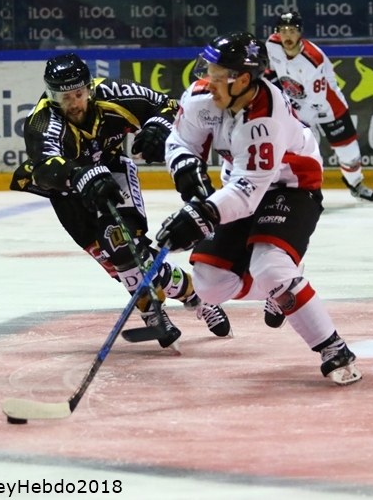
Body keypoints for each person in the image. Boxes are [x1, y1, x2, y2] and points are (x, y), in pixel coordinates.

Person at [155, 31, 362, 385]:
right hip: (240, 183)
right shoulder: (202, 97)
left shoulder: (266, 119)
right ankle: (281, 286)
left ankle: (333, 348)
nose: (209, 80)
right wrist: (184, 165)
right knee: (209, 284)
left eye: (219, 75)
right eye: (210, 71)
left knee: (270, 267)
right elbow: (180, 140)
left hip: (291, 185)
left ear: (244, 80)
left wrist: (202, 215)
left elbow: (248, 194)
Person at [10, 53, 231, 349]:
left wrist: (159, 126)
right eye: (64, 97)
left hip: (112, 172)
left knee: (122, 245)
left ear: (89, 88)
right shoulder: (41, 121)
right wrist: (79, 175)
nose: (74, 103)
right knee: (118, 261)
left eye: (79, 94)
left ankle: (164, 309)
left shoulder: (114, 93)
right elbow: (44, 169)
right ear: (52, 96)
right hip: (68, 192)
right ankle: (192, 296)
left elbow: (166, 105)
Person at [265, 11, 373, 203]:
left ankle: (356, 184)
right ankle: (301, 189)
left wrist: (289, 107)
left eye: (292, 31)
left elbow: (316, 99)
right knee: (303, 150)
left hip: (328, 106)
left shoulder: (313, 60)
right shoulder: (272, 44)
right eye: (283, 31)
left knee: (349, 152)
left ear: (300, 33)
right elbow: (270, 69)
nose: (287, 36)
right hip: (299, 105)